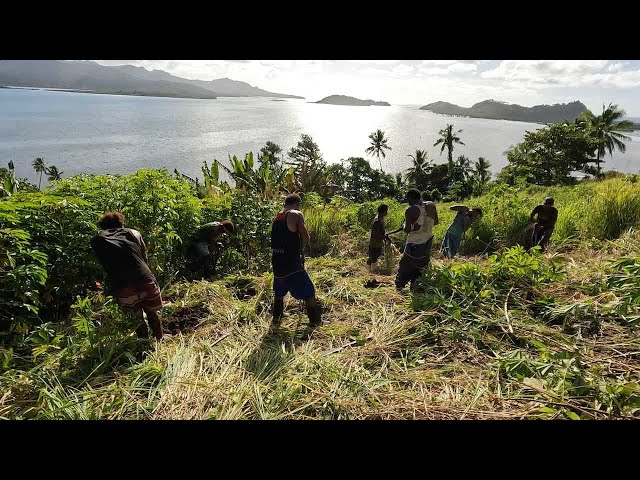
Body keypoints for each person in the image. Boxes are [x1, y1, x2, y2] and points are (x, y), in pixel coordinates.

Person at [90, 212, 163, 341]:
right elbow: (143, 256)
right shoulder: (134, 233)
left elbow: (103, 263)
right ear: (121, 224)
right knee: (152, 312)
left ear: (103, 227)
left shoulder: (97, 239)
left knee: (137, 318)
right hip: (144, 277)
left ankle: (144, 344)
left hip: (122, 285)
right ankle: (160, 340)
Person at [270, 193, 322, 326]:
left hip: (277, 262)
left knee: (279, 291)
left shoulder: (277, 217)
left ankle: (277, 317)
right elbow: (306, 238)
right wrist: (302, 246)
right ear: (297, 204)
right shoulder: (295, 214)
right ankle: (315, 321)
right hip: (291, 263)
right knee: (309, 291)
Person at [394, 188, 436, 291]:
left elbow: (407, 230)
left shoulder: (411, 210)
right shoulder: (431, 206)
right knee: (421, 265)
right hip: (428, 241)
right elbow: (436, 222)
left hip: (415, 243)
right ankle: (416, 286)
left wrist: (404, 226)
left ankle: (400, 286)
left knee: (406, 265)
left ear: (410, 198)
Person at [366, 204, 389, 273]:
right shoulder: (377, 221)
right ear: (383, 211)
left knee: (374, 256)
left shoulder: (380, 219)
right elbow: (376, 234)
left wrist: (384, 236)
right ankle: (371, 271)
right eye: (386, 211)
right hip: (375, 242)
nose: (387, 213)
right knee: (373, 257)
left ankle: (368, 270)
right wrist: (385, 237)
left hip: (377, 242)